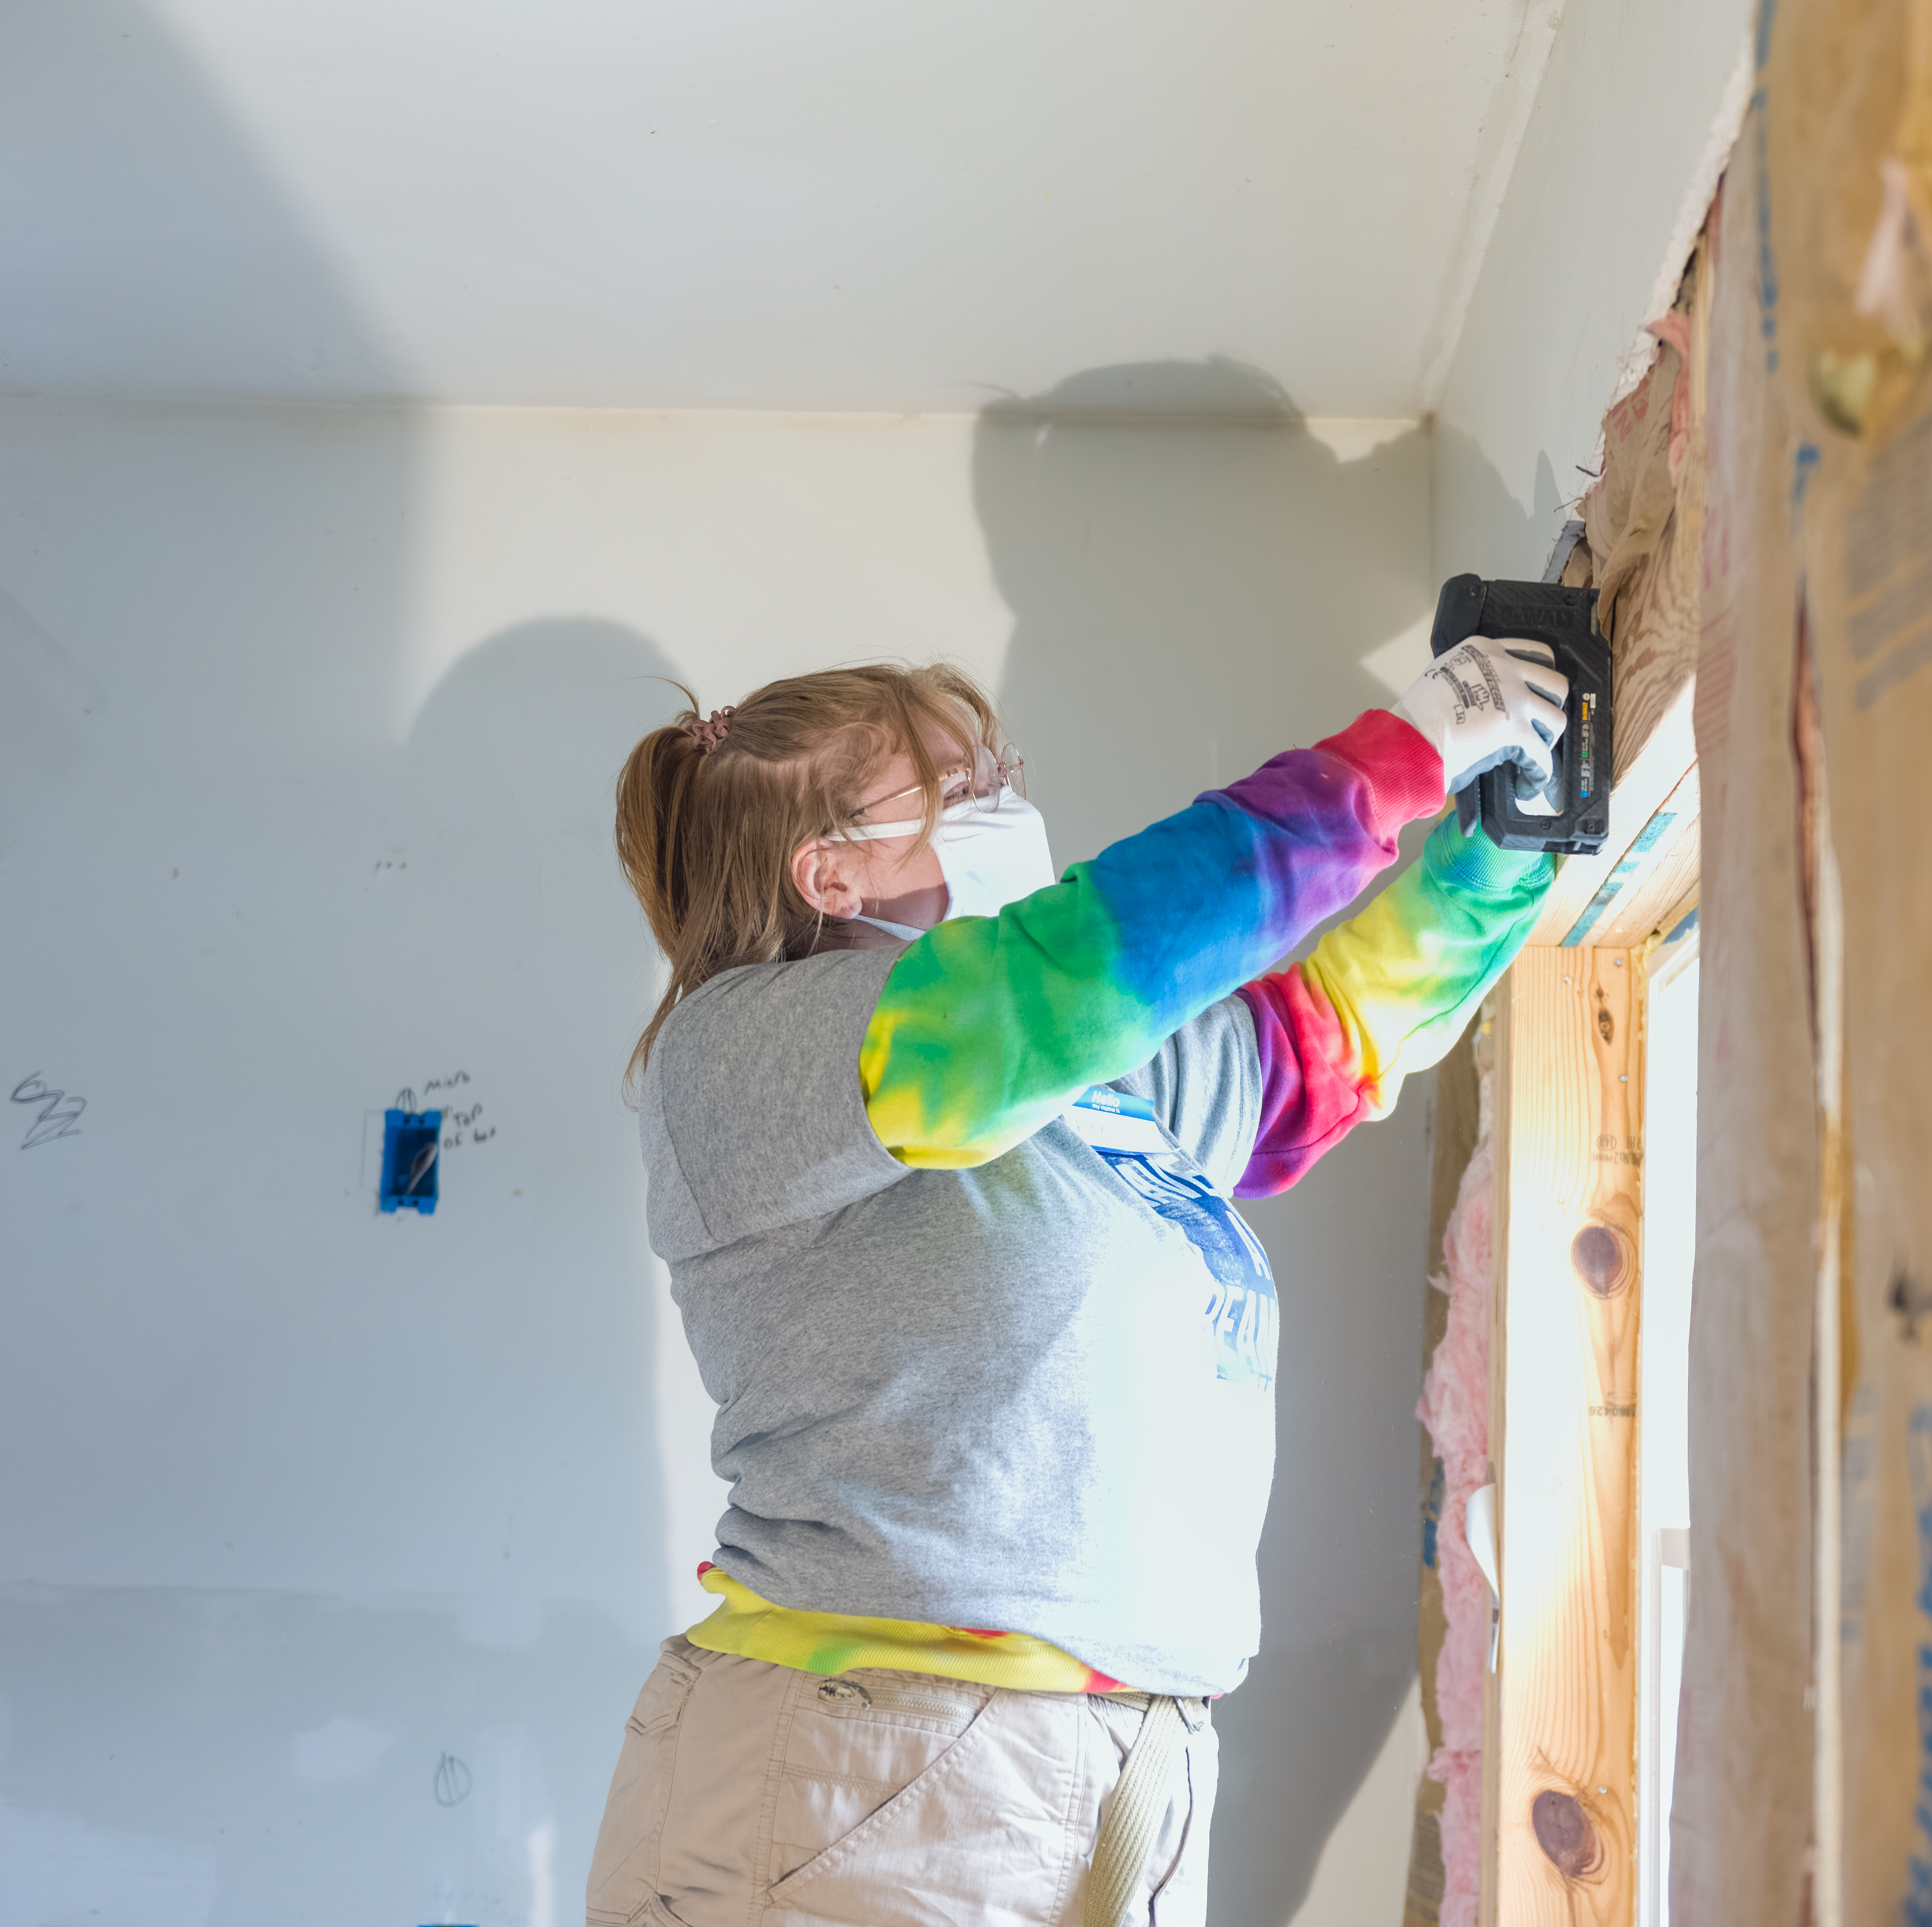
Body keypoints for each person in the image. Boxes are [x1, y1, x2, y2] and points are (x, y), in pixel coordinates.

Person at [586, 639, 1568, 1927]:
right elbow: (1052, 984)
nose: (1003, 798)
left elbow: (1327, 1036)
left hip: (1117, 1761)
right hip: (860, 1770)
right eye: (956, 788)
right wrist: (1407, 752)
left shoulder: (1089, 1092)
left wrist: (1505, 843)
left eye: (1001, 768)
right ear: (827, 872)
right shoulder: (738, 1052)